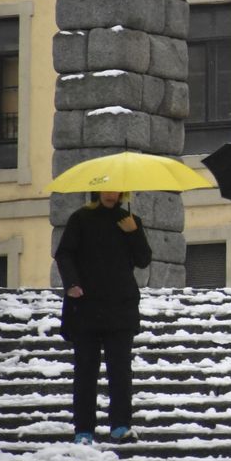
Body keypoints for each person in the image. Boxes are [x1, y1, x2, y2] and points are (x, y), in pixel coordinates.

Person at [55, 190, 153, 445]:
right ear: (98, 190)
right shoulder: (81, 218)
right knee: (86, 370)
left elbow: (143, 259)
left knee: (120, 370)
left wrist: (134, 232)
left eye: (116, 189)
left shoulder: (129, 220)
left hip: (120, 307)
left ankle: (121, 424)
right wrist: (71, 284)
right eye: (107, 189)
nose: (111, 194)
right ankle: (83, 429)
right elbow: (64, 253)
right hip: (85, 306)